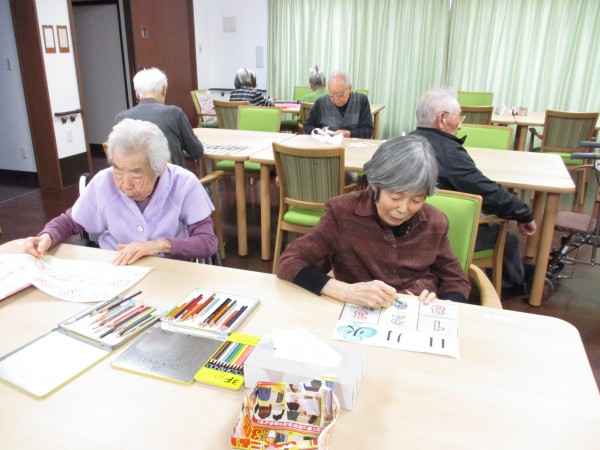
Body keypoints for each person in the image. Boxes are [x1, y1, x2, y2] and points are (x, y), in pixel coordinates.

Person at [276, 135, 470, 309]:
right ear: (375, 184)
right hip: (360, 313)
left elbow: (456, 280)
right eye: (395, 197)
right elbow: (290, 261)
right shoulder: (342, 213)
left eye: (416, 200)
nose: (403, 209)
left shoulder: (434, 222)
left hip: (416, 312)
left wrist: (444, 304)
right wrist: (344, 291)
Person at [24, 119, 218, 266]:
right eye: (117, 169)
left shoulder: (184, 183)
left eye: (136, 173)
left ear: (159, 167)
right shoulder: (103, 181)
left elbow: (207, 242)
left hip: (169, 271)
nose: (125, 184)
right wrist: (46, 236)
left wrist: (158, 246)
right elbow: (70, 221)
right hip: (116, 269)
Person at [411, 87, 536, 297]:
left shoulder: (402, 143)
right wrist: (525, 214)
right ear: (442, 119)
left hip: (406, 229)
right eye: (458, 117)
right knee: (508, 238)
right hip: (442, 232)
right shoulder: (448, 153)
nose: (460, 124)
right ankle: (512, 285)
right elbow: (489, 193)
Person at [114, 67, 203, 168]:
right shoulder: (174, 113)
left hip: (134, 176)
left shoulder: (121, 118)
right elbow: (197, 152)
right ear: (164, 91)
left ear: (136, 94)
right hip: (170, 177)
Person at [303, 71, 373, 138]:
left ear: (350, 88)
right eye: (332, 96)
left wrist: (349, 134)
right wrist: (319, 132)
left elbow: (368, 130)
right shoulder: (321, 102)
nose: (336, 100)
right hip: (328, 144)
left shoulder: (361, 100)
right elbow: (307, 126)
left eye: (340, 95)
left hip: (354, 144)